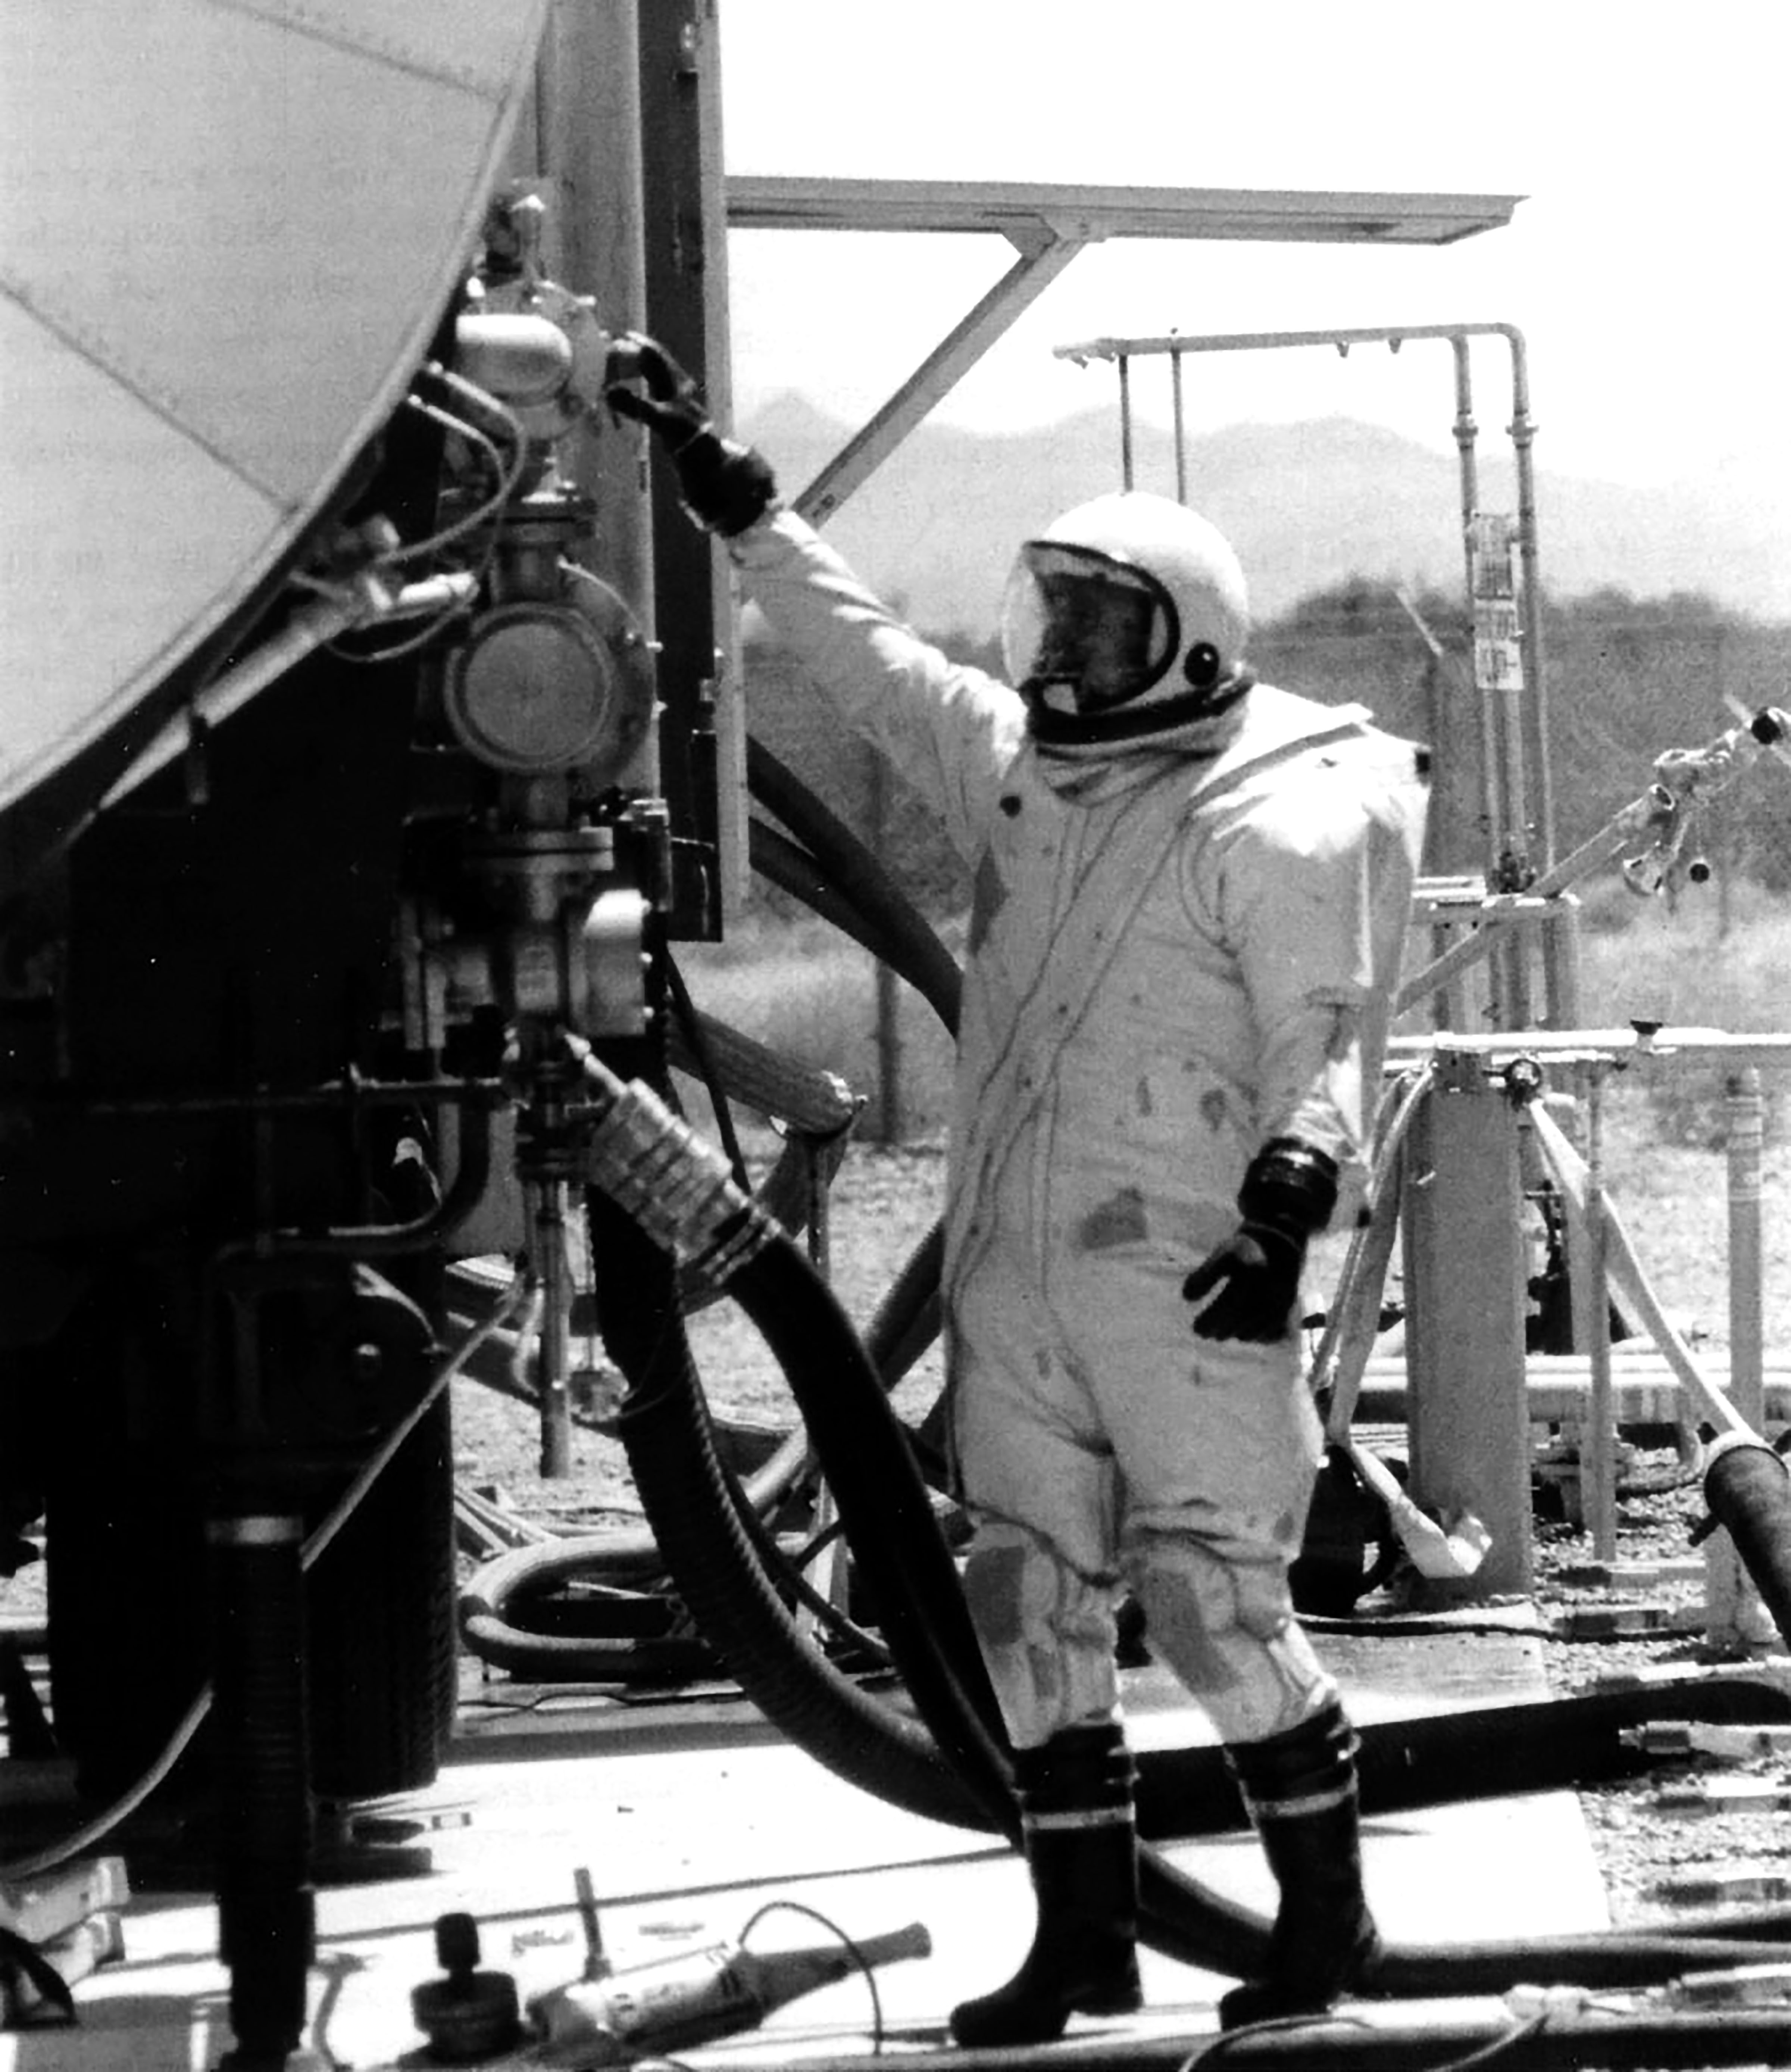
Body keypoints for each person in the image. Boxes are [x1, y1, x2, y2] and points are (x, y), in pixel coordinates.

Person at [606, 337, 1428, 2042]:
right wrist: (738, 499)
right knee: (1025, 1601)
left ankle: (1329, 1922)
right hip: (1020, 1259)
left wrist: (1290, 1207)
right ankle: (1085, 1940)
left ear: (1187, 641)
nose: (1064, 655)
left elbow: (1330, 1046)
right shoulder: (1024, 769)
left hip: (1189, 1275)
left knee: (1214, 1599)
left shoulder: (1277, 810)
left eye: (1103, 628)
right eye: (1054, 619)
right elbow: (866, 655)